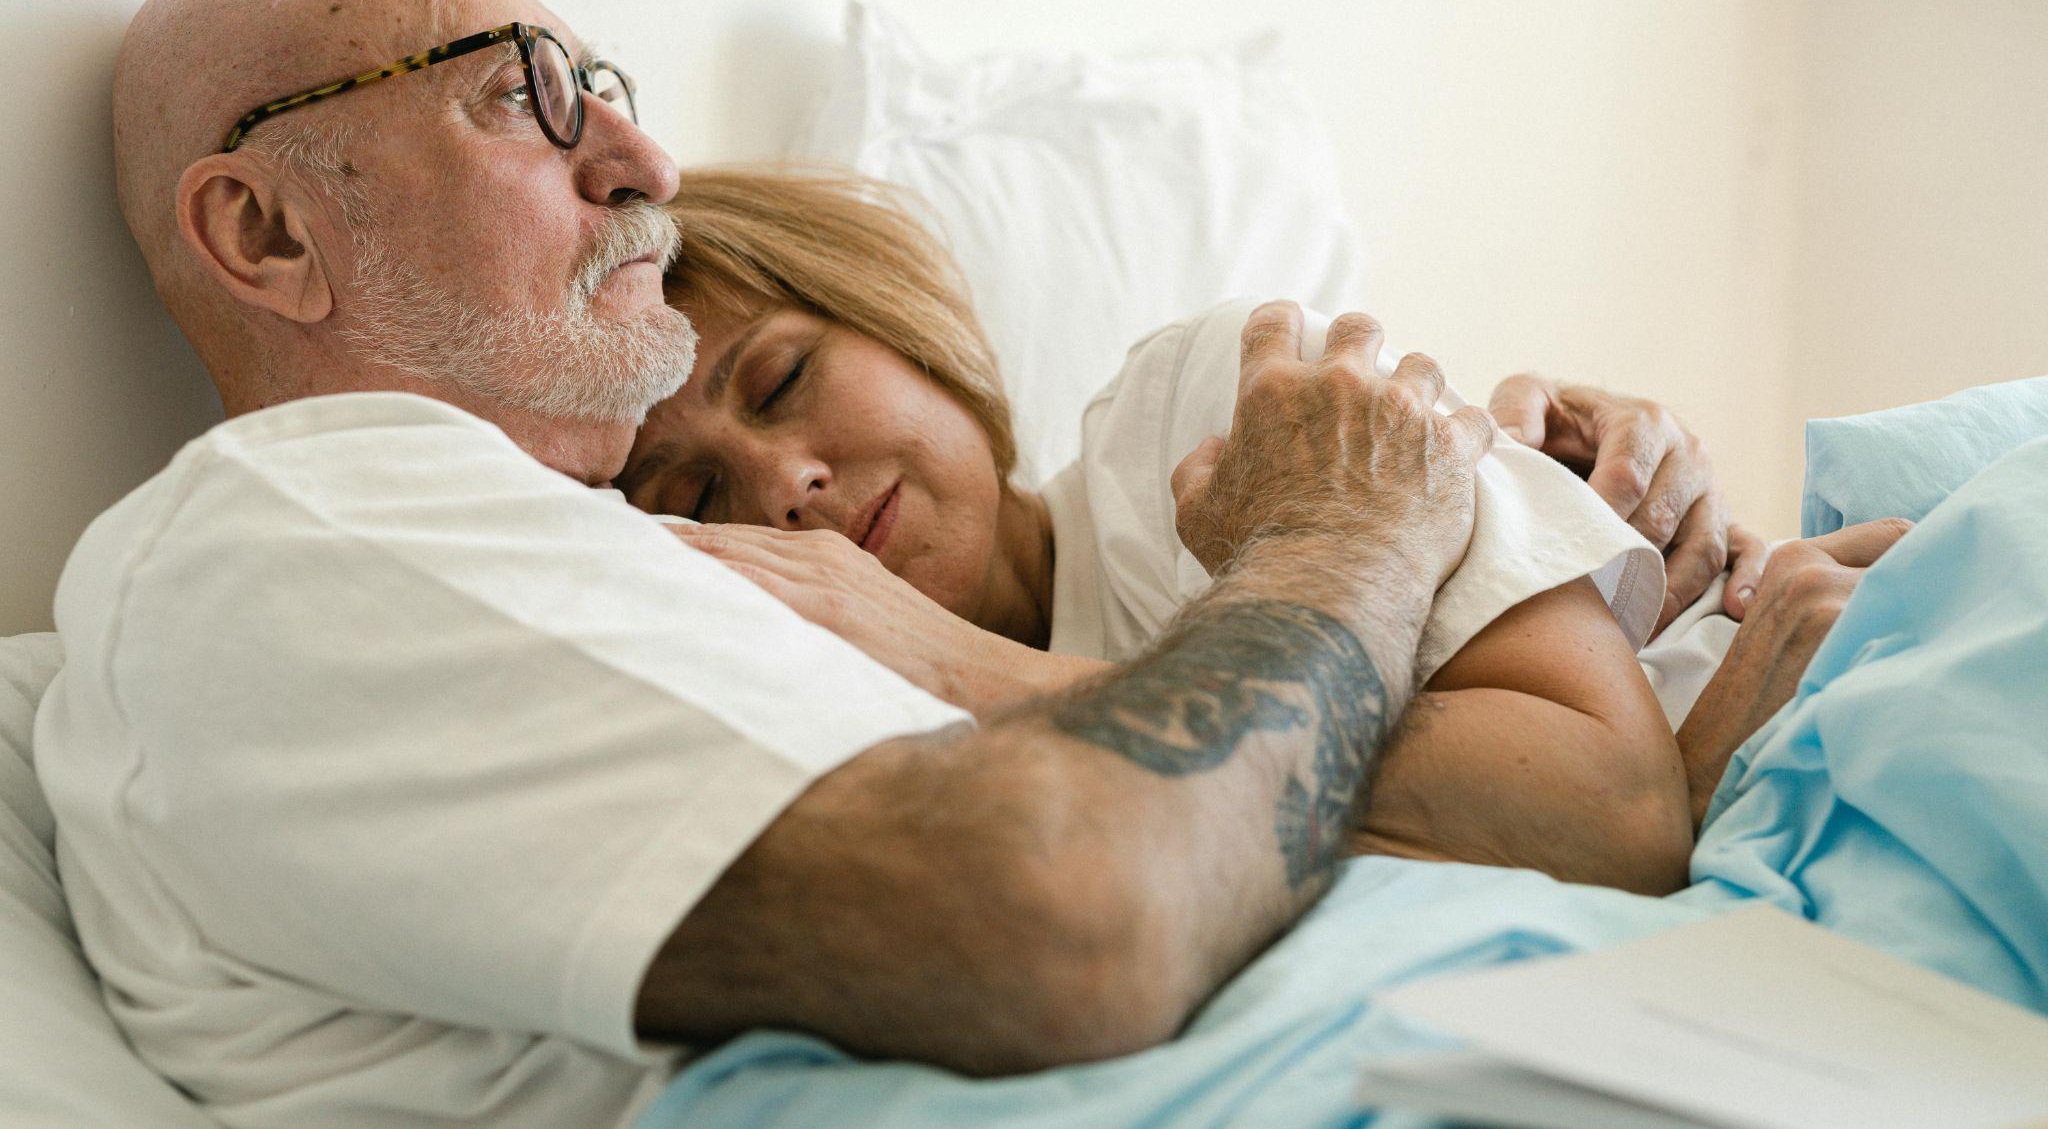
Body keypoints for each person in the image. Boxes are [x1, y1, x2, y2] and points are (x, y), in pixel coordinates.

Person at [34, 0, 1776, 1129]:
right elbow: (1075, 909)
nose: (638, 155)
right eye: (518, 92)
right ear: (264, 237)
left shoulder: (571, 572)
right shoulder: (282, 538)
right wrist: (1343, 543)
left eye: (608, 83)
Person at [628, 169, 1765, 892]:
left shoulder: (1201, 419)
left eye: (779, 381)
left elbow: (1601, 811)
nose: (786, 486)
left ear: (897, 320)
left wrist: (972, 667)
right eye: (689, 502)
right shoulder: (863, 773)